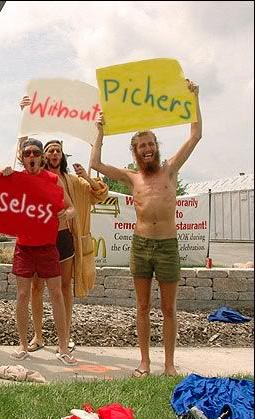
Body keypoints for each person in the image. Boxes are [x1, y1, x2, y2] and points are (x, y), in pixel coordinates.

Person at [90, 80, 202, 376]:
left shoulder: (171, 169)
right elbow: (96, 163)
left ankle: (169, 365)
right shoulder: (131, 177)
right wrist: (99, 131)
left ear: (156, 147)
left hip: (167, 246)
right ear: (136, 152)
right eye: (142, 146)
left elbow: (196, 134)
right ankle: (144, 362)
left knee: (168, 309)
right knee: (141, 307)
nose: (148, 149)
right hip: (140, 246)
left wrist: (194, 98)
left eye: (151, 144)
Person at [19, 97, 109, 353]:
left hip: (64, 239)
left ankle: (65, 336)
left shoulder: (74, 181)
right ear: (43, 156)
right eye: (50, 150)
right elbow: (20, 155)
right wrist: (24, 113)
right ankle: (38, 336)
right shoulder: (34, 177)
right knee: (36, 287)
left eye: (58, 150)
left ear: (62, 155)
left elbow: (99, 194)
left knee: (64, 288)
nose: (54, 153)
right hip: (37, 240)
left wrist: (88, 175)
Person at [1, 138, 77, 364]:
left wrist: (65, 214)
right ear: (22, 158)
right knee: (23, 294)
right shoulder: (16, 179)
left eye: (36, 152)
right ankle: (23, 345)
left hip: (47, 246)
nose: (32, 156)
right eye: (27, 153)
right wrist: (3, 174)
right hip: (24, 247)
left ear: (42, 157)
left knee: (56, 294)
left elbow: (71, 208)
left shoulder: (53, 179)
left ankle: (63, 348)